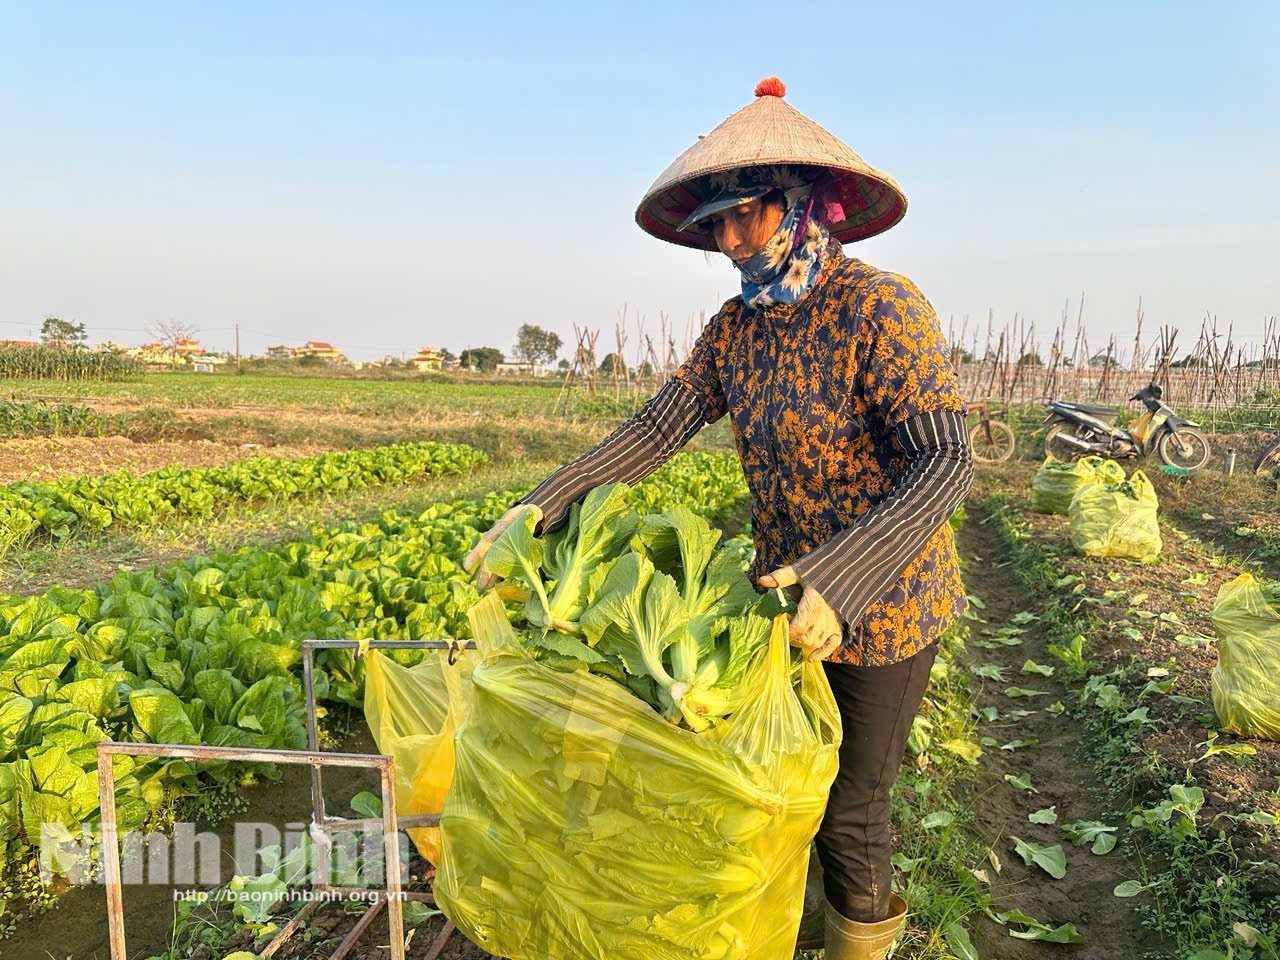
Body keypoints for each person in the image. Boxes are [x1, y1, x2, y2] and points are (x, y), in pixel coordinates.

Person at [463, 76, 973, 960]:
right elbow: (659, 425)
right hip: (778, 599)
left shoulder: (880, 308)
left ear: (801, 203)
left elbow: (945, 461)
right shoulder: (735, 328)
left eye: (750, 215)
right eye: (717, 225)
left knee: (851, 811)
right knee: (777, 782)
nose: (732, 241)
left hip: (886, 601)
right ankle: (784, 930)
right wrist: (538, 506)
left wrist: (840, 580)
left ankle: (857, 942)